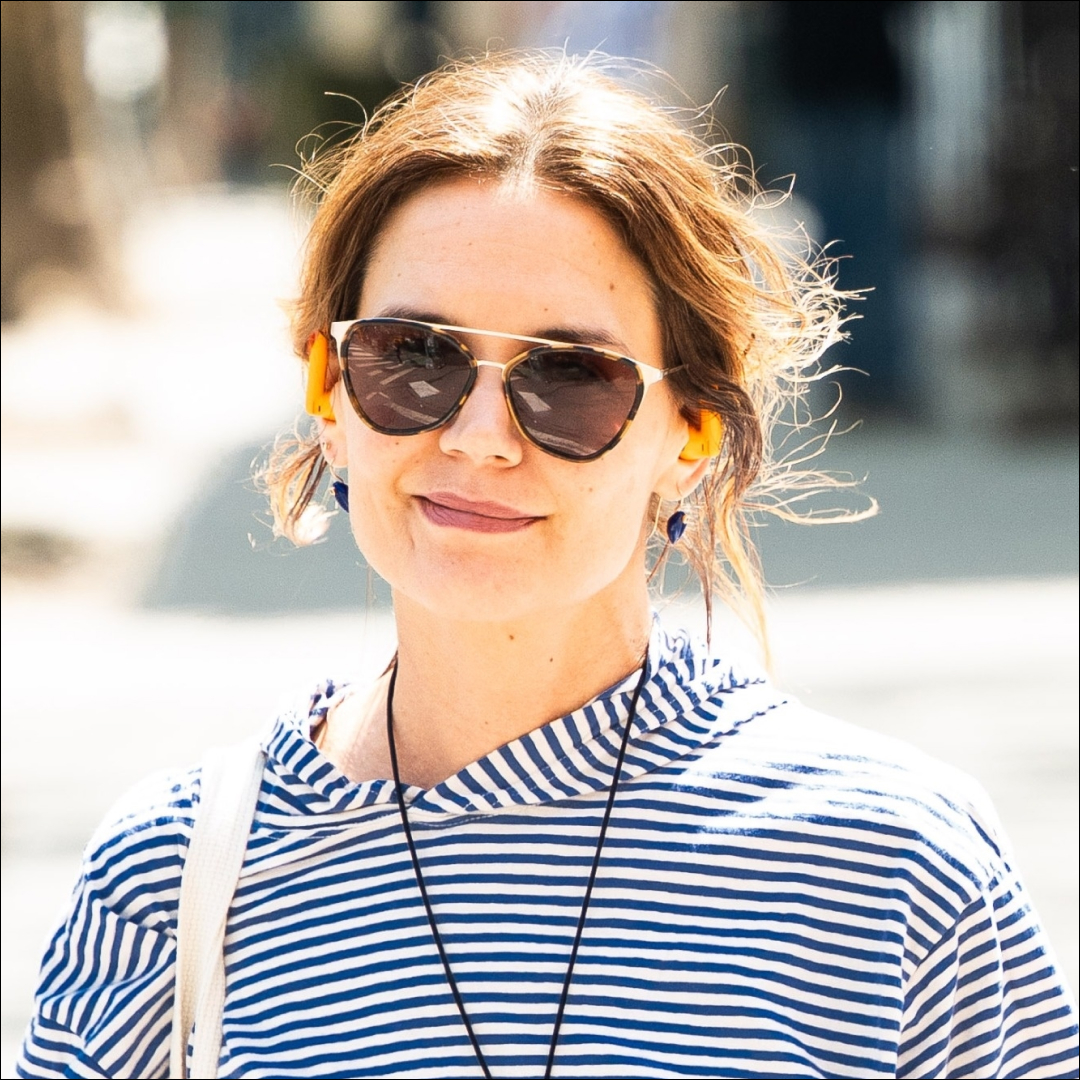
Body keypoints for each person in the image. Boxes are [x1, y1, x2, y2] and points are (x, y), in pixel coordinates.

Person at [17, 52, 1079, 1080]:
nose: (480, 437)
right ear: (328, 391)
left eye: (571, 378)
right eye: (414, 355)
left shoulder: (888, 869)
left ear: (692, 428)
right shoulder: (174, 880)